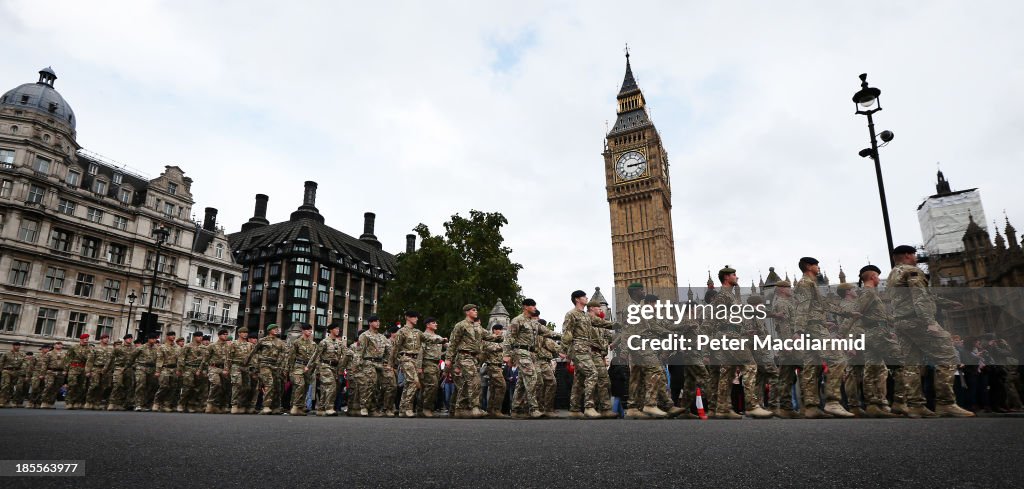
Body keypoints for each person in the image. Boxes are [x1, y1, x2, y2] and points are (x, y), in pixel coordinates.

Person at [887, 245, 975, 417]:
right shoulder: (912, 271)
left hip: (901, 323)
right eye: (914, 254)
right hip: (917, 321)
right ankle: (945, 403)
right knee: (947, 356)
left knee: (911, 364)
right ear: (907, 255)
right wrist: (929, 322)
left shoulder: (893, 275)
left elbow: (922, 296)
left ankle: (915, 405)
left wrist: (948, 303)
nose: (916, 257)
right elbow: (920, 297)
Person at [794, 257, 857, 418]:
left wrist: (847, 312)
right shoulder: (805, 283)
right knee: (838, 358)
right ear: (809, 266)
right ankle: (832, 401)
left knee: (811, 366)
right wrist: (798, 331)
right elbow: (802, 307)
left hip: (813, 326)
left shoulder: (810, 283)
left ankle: (811, 406)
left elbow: (822, 305)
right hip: (814, 328)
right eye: (816, 265)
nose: (819, 267)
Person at [710, 266, 773, 419]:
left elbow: (744, 312)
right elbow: (713, 318)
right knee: (750, 366)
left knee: (727, 372)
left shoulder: (730, 296)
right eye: (734, 275)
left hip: (730, 335)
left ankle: (723, 408)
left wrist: (770, 314)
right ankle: (752, 405)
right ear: (726, 278)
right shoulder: (722, 296)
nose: (737, 277)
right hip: (730, 336)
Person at [562, 291, 619, 419]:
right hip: (578, 349)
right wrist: (565, 351)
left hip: (586, 350)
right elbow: (566, 333)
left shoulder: (586, 316)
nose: (586, 298)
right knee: (593, 373)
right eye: (584, 296)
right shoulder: (571, 314)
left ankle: (575, 409)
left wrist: (618, 324)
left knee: (579, 380)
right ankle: (589, 407)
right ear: (577, 299)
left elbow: (602, 323)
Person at [855, 265, 901, 418]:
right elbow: (855, 314)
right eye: (878, 276)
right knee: (902, 361)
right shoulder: (867, 293)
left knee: (875, 368)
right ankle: (902, 402)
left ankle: (876, 404)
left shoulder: (870, 293)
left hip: (874, 332)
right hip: (877, 333)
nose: (879, 279)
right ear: (873, 277)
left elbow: (881, 316)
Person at [446, 304, 501, 418]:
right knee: (475, 381)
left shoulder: (478, 328)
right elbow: (453, 343)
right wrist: (448, 359)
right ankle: (474, 407)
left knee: (466, 384)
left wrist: (503, 337)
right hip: (464, 357)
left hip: (474, 358)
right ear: (467, 312)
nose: (476, 312)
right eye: (473, 310)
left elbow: (490, 337)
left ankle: (461, 409)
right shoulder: (461, 325)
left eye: (476, 310)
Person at [507, 299, 559, 419]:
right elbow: (509, 337)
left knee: (522, 382)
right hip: (521, 352)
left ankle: (516, 409)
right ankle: (533, 409)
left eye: (535, 305)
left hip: (532, 354)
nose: (535, 307)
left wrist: (566, 336)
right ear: (525, 307)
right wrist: (508, 355)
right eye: (532, 305)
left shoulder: (534, 323)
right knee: (532, 379)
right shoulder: (517, 320)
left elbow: (548, 332)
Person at [390, 311, 446, 418]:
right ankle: (408, 408)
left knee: (408, 384)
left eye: (416, 317)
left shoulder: (418, 332)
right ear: (407, 318)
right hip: (406, 358)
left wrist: (440, 340)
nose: (416, 319)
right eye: (414, 317)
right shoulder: (401, 332)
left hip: (415, 360)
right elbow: (395, 348)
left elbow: (428, 338)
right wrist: (391, 364)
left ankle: (402, 409)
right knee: (413, 382)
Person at [308, 323, 351, 416]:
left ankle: (321, 408)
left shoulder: (340, 343)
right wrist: (310, 368)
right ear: (331, 330)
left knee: (325, 388)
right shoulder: (324, 342)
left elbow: (347, 353)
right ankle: (329, 408)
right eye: (336, 328)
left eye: (338, 329)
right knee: (331, 386)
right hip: (325, 366)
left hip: (335, 368)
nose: (338, 330)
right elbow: (316, 356)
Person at [249, 324, 287, 415]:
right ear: (269, 330)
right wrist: (253, 367)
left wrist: (284, 368)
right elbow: (253, 353)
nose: (276, 330)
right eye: (274, 329)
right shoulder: (262, 341)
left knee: (278, 386)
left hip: (276, 366)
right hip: (264, 364)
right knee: (269, 384)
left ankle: (276, 407)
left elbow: (285, 355)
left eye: (277, 329)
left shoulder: (280, 342)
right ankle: (266, 406)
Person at [357, 316, 388, 417]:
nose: (378, 323)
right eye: (375, 321)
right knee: (370, 385)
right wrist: (357, 366)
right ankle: (364, 407)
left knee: (378, 387)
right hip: (368, 363)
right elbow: (359, 352)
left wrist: (387, 363)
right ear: (370, 323)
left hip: (380, 364)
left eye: (379, 321)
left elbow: (387, 352)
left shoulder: (382, 337)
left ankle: (373, 409)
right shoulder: (364, 335)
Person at [284, 323, 317, 416]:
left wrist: (312, 369)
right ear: (303, 331)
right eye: (307, 330)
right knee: (300, 385)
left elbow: (315, 359)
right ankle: (295, 406)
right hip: (297, 366)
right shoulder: (297, 342)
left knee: (305, 387)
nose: (310, 331)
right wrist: (289, 370)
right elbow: (291, 357)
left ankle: (300, 407)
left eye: (311, 330)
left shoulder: (313, 344)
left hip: (308, 368)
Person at [418, 317, 447, 417]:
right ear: (427, 325)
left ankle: (422, 408)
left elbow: (442, 351)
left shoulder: (438, 337)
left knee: (430, 387)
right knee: (431, 386)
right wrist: (419, 367)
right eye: (433, 323)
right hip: (427, 364)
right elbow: (420, 352)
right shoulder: (424, 336)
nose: (436, 324)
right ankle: (426, 408)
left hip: (436, 364)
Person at [480, 323, 508, 418]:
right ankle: (496, 410)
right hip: (492, 366)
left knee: (493, 389)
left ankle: (491, 410)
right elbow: (490, 348)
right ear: (494, 330)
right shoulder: (489, 339)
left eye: (501, 329)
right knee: (502, 386)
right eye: (499, 329)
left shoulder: (501, 340)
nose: (501, 331)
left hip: (498, 366)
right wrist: (504, 345)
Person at [84, 334, 114, 410]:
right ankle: (89, 402)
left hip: (106, 370)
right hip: (96, 368)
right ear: (101, 339)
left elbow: (111, 361)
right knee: (94, 385)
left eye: (107, 338)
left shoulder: (111, 350)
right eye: (105, 338)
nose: (107, 340)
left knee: (102, 387)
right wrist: (88, 371)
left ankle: (97, 403)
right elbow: (90, 360)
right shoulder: (95, 349)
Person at [228, 327, 254, 414]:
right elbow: (228, 358)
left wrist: (253, 368)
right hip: (236, 366)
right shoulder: (234, 344)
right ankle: (234, 405)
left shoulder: (249, 345)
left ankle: (241, 404)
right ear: (239, 333)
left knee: (247, 387)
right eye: (243, 332)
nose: (245, 334)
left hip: (246, 367)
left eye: (246, 332)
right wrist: (227, 369)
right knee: (237, 385)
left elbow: (252, 357)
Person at [153, 331, 180, 413]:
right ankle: (156, 402)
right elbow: (159, 359)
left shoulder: (178, 347)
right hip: (165, 368)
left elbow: (180, 360)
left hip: (174, 369)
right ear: (167, 336)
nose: (173, 337)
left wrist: (179, 369)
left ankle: (166, 404)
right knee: (164, 386)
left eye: (174, 335)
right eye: (171, 335)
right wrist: (158, 371)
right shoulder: (162, 347)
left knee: (173, 387)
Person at [132, 334, 160, 411]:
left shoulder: (157, 348)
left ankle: (146, 404)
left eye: (155, 339)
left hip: (152, 368)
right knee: (140, 385)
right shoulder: (141, 347)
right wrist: (134, 365)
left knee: (151, 386)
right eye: (152, 339)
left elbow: (159, 359)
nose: (154, 340)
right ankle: (138, 404)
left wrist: (158, 370)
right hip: (141, 367)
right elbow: (132, 356)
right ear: (148, 339)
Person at [106, 335, 134, 411]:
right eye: (128, 338)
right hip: (119, 367)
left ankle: (123, 404)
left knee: (128, 386)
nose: (130, 340)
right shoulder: (118, 348)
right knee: (117, 384)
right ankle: (112, 403)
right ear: (125, 339)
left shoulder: (134, 348)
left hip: (129, 369)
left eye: (131, 338)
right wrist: (106, 369)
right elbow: (111, 358)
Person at [64, 334, 92, 410]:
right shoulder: (74, 347)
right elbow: (68, 358)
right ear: (81, 339)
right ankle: (69, 402)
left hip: (83, 368)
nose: (86, 339)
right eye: (85, 338)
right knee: (72, 385)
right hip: (74, 367)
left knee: (81, 387)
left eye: (87, 338)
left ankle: (76, 402)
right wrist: (65, 370)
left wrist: (88, 370)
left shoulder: (90, 348)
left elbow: (90, 360)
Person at [0, 341, 27, 408]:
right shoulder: (7, 353)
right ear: (13, 346)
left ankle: (7, 401)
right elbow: (1, 362)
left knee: (11, 387)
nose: (17, 346)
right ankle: (2, 401)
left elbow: (24, 363)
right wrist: (1, 370)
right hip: (7, 370)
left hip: (16, 371)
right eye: (16, 345)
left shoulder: (22, 354)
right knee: (6, 385)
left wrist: (22, 370)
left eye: (18, 345)